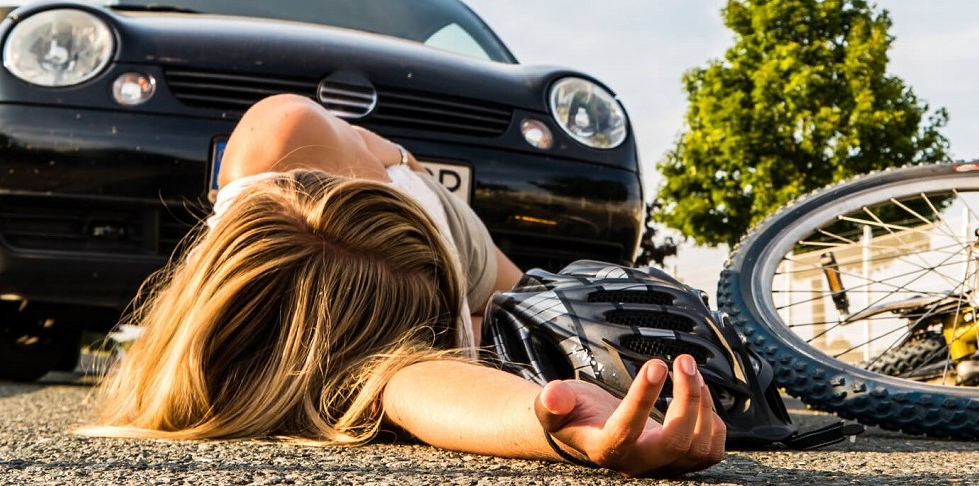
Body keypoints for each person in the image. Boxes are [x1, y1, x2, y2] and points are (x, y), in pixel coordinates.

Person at [80, 94, 724, 477]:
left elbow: (408, 378)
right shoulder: (377, 365)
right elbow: (411, 386)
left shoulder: (281, 134)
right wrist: (558, 420)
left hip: (431, 220)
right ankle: (482, 316)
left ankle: (478, 305)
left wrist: (400, 163)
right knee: (532, 313)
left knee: (524, 295)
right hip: (427, 259)